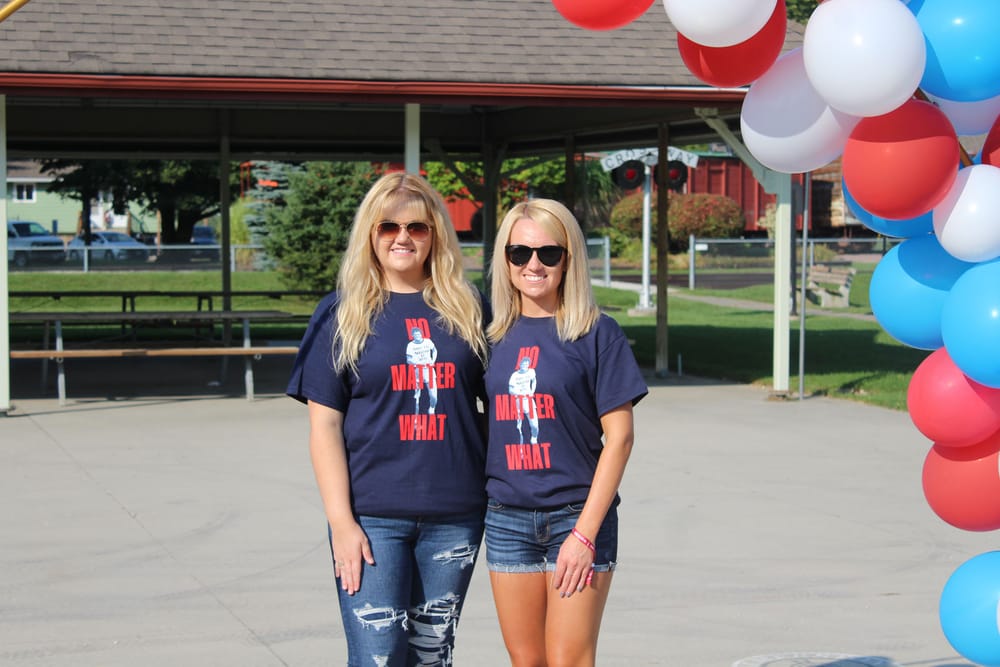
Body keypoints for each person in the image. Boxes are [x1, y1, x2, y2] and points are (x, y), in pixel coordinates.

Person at [286, 171, 489, 666]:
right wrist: (341, 522)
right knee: (377, 656)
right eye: (388, 227)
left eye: (417, 227)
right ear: (370, 233)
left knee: (431, 656)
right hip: (372, 520)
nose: (403, 237)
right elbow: (324, 427)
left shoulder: (468, 309)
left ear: (435, 234)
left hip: (456, 516)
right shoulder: (341, 314)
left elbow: (502, 401)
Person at [484, 198, 647, 667]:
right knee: (526, 660)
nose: (533, 265)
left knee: (568, 659)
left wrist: (585, 534)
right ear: (505, 259)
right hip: (507, 518)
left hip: (576, 516)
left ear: (568, 258)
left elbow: (620, 439)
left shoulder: (597, 334)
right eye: (520, 253)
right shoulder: (488, 335)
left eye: (549, 253)